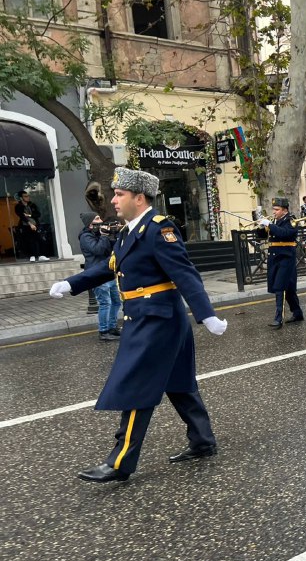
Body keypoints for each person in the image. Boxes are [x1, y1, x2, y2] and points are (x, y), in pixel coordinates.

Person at [48, 167, 227, 483]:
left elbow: (185, 273)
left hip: (157, 322)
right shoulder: (129, 232)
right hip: (148, 318)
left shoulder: (159, 230)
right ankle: (202, 440)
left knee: (135, 388)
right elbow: (109, 267)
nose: (113, 200)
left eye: (119, 194)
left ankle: (119, 462)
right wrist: (71, 283)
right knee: (179, 384)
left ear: (139, 197)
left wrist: (206, 313)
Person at [256, 198, 304, 328]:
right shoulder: (274, 221)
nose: (274, 212)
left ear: (285, 210)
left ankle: (278, 318)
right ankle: (297, 313)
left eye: (277, 210)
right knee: (288, 288)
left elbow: (285, 234)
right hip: (274, 257)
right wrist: (261, 226)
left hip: (286, 257)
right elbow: (260, 236)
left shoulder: (291, 220)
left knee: (280, 287)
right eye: (274, 209)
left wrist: (270, 225)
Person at [79, 212, 122, 341]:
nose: (101, 220)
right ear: (90, 223)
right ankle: (103, 331)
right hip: (96, 273)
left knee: (116, 301)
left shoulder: (99, 234)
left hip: (108, 272)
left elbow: (111, 249)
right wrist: (104, 236)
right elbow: (97, 250)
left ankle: (112, 327)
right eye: (97, 218)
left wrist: (114, 234)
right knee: (105, 303)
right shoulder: (85, 237)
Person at [15, 190, 49, 262]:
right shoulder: (18, 206)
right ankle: (32, 256)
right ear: (21, 198)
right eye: (25, 196)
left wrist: (29, 215)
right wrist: (30, 224)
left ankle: (41, 255)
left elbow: (38, 214)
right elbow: (22, 216)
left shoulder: (32, 205)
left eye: (28, 196)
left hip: (35, 224)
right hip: (25, 226)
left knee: (39, 239)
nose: (28, 197)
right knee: (29, 241)